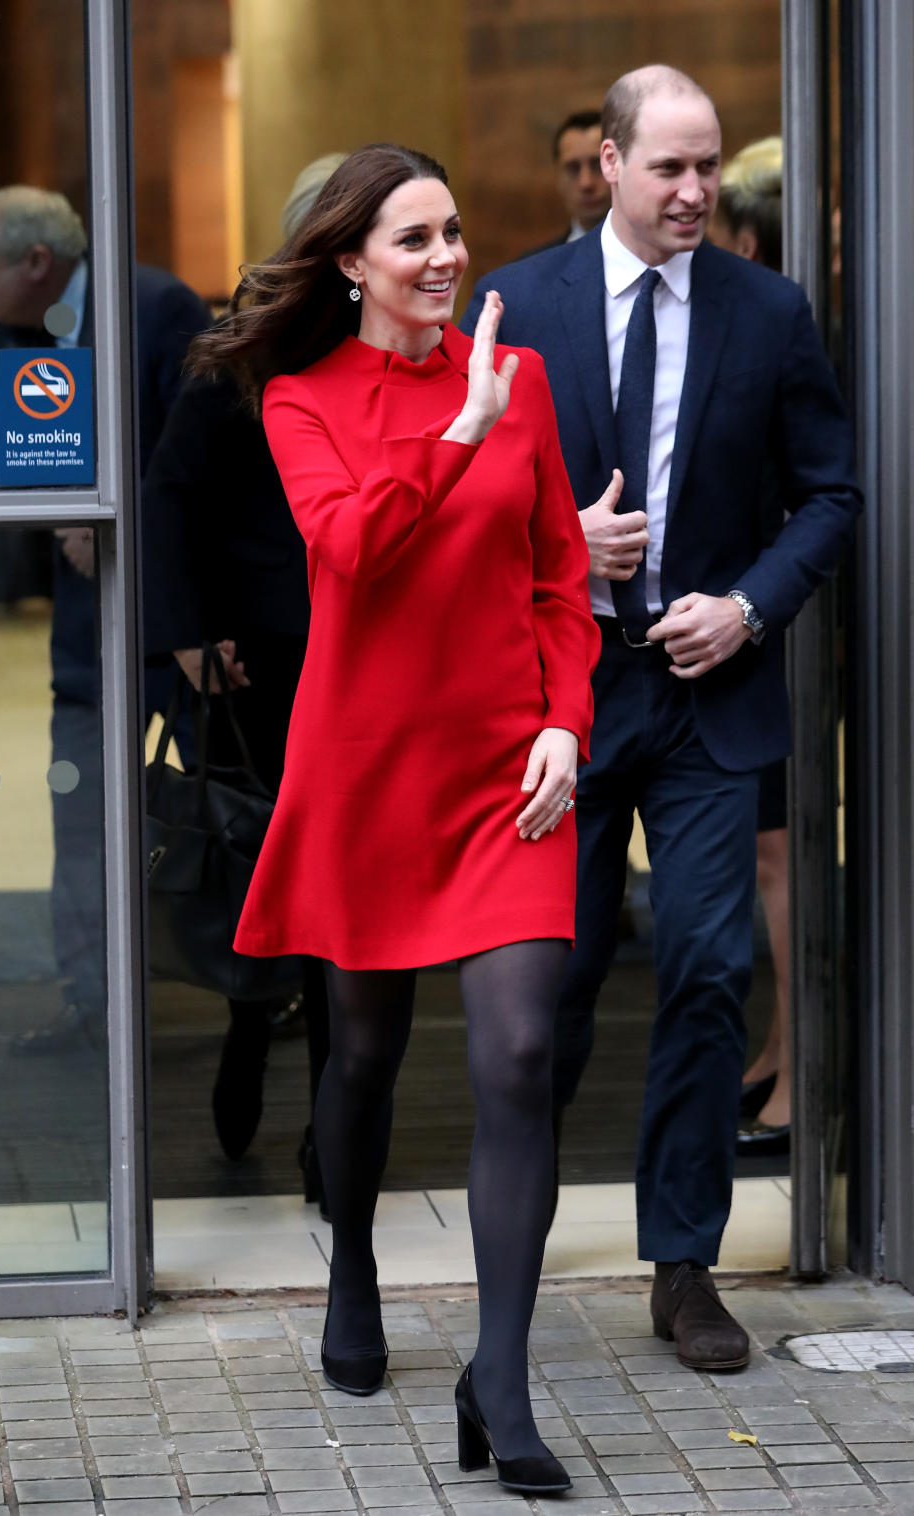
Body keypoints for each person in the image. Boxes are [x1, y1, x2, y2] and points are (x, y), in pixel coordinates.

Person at [188, 142, 601, 1495]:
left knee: (522, 1053)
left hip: (505, 772)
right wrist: (460, 426)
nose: (445, 259)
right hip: (367, 770)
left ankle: (502, 1376)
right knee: (361, 1060)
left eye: (454, 233)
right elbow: (352, 553)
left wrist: (563, 723)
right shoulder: (301, 398)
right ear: (351, 261)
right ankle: (353, 1265)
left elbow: (554, 577)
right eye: (413, 239)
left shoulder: (523, 379)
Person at [462, 66, 861, 1371]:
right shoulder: (521, 307)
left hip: (708, 703)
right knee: (547, 986)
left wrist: (745, 607)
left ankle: (682, 1262)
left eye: (709, 169)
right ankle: (506, 1250)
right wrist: (562, 550)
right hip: (562, 701)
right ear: (612, 167)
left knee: (706, 967)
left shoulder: (770, 311)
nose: (695, 192)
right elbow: (458, 502)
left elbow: (829, 497)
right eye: (669, 169)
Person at [0, 185, 209, 1052]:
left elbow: (202, 458)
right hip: (88, 635)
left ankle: (263, 985)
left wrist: (114, 523)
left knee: (226, 799)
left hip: (184, 624)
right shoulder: (17, 333)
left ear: (34, 264)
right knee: (83, 806)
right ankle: (94, 1002)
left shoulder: (154, 308)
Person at [141, 155, 348, 1191]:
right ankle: (247, 1015)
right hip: (258, 666)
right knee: (277, 869)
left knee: (346, 900)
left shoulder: (396, 343)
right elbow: (171, 494)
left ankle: (333, 1128)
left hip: (366, 662)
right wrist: (187, 631)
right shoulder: (240, 346)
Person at [708, 136, 792, 1153]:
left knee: (781, 853)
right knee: (775, 849)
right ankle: (780, 1045)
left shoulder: (775, 319)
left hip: (776, 614)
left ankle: (800, 1065)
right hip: (757, 616)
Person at [523, 109, 609, 256]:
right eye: (573, 169)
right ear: (557, 176)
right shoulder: (533, 271)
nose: (586, 183)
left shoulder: (656, 261)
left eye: (597, 166)